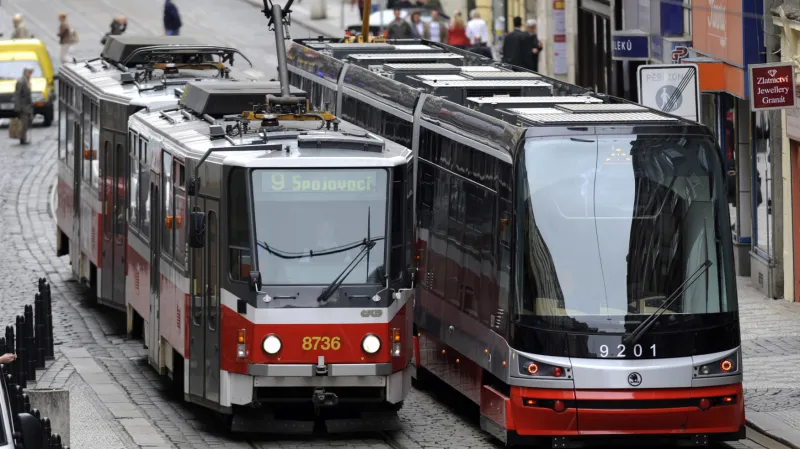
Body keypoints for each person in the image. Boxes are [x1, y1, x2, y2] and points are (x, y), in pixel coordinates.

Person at [14, 68, 34, 145]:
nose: (30, 74)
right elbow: (17, 95)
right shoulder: (21, 82)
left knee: (27, 122)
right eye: (29, 73)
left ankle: (24, 137)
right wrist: (18, 108)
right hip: (23, 107)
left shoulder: (27, 81)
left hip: (28, 107)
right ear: (25, 73)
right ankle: (22, 138)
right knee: (24, 123)